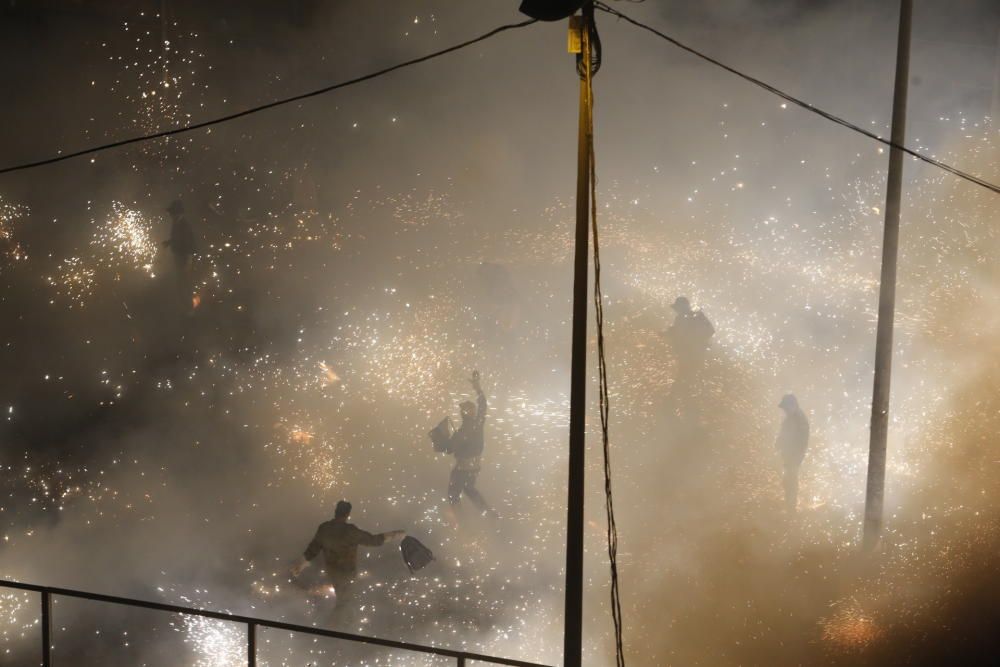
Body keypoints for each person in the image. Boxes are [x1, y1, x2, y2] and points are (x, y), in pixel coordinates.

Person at [290, 501, 404, 620]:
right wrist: (395, 535)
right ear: (347, 514)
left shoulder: (324, 528)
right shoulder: (351, 531)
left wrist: (301, 563)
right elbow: (373, 540)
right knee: (345, 603)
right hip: (347, 574)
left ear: (335, 512)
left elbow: (313, 549)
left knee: (344, 602)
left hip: (333, 573)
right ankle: (336, 628)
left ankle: (339, 626)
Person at [445, 370, 496, 518]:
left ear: (464, 413)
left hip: (462, 469)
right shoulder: (478, 424)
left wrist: (446, 441)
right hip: (474, 468)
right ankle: (488, 512)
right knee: (469, 488)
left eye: (463, 410)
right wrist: (478, 388)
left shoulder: (462, 431)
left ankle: (462, 524)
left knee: (453, 494)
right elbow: (483, 405)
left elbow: (449, 449)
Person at [775, 394, 810, 512]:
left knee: (791, 480)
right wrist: (779, 443)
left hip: (794, 456)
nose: (784, 410)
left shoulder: (800, 419)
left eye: (786, 407)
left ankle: (791, 509)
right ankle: (789, 505)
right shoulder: (791, 417)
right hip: (788, 455)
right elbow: (784, 433)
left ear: (793, 405)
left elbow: (802, 441)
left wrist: (795, 457)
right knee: (787, 480)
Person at [665, 296, 714, 363]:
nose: (676, 310)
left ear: (681, 307)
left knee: (687, 370)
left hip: (690, 354)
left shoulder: (682, 318)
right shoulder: (697, 315)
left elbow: (679, 334)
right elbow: (711, 331)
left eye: (678, 307)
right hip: (695, 353)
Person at [163, 199, 196, 272]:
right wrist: (169, 242)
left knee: (183, 277)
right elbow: (177, 237)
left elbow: (188, 242)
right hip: (179, 255)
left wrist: (188, 261)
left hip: (183, 257)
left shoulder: (184, 225)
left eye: (172, 213)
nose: (170, 216)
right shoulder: (176, 223)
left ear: (177, 213)